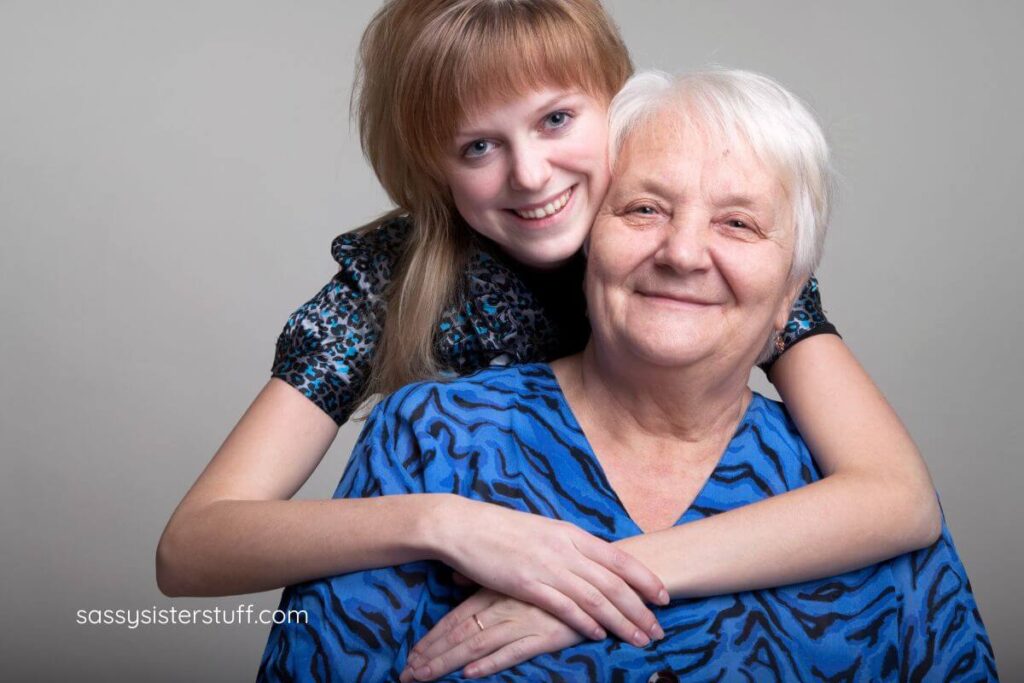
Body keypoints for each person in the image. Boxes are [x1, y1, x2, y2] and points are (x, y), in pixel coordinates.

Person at [158, 0, 940, 650]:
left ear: (617, 102)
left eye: (558, 118)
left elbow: (897, 497)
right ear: (435, 167)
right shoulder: (387, 287)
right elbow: (192, 548)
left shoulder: (691, 254)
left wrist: (594, 580)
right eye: (478, 146)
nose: (530, 174)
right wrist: (445, 523)